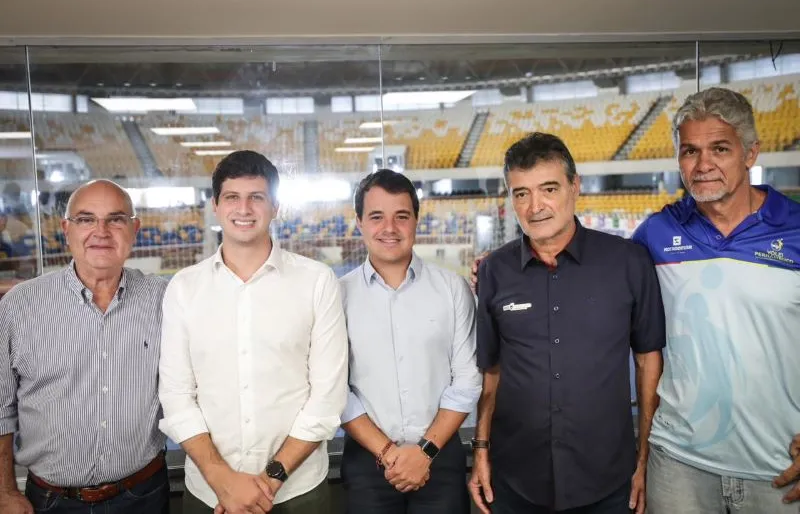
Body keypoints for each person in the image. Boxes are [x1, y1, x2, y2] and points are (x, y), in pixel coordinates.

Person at [469, 132, 665, 514]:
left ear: (575, 187)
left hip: (609, 482)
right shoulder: (494, 271)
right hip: (515, 481)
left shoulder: (628, 263)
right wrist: (480, 450)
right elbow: (490, 373)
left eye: (548, 189)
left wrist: (644, 458)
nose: (534, 206)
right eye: (521, 193)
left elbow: (648, 363)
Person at [630, 87, 800, 513]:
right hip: (677, 465)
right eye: (690, 151)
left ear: (751, 153)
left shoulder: (797, 231)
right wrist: (504, 266)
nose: (702, 165)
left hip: (778, 467)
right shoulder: (655, 235)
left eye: (719, 148)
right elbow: (594, 275)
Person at [158, 150, 349, 514]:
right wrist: (223, 482)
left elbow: (327, 398)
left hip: (297, 492)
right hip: (210, 493)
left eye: (256, 197)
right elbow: (177, 395)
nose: (243, 209)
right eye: (232, 197)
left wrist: (268, 483)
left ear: (275, 206)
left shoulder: (316, 282)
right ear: (215, 205)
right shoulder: (184, 288)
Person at [0, 179, 170, 514]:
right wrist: (5, 492)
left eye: (116, 219)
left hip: (144, 496)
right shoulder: (21, 306)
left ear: (134, 229)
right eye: (86, 219)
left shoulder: (164, 300)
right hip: (51, 502)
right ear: (67, 229)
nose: (101, 231)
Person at [338, 170, 481, 514]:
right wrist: (388, 453)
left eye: (401, 216)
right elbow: (334, 388)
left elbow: (467, 380)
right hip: (366, 463)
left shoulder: (452, 289)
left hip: (441, 460)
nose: (390, 228)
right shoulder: (336, 296)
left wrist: (425, 452)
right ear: (359, 222)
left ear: (416, 220)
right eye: (376, 217)